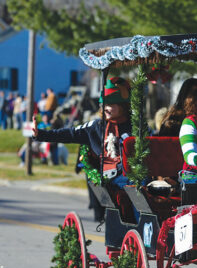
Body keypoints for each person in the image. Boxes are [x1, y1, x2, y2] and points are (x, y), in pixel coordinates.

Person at [32, 77, 136, 223]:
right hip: (109, 178)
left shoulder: (136, 126)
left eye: (111, 104)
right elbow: (70, 133)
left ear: (123, 106)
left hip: (134, 175)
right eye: (103, 104)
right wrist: (41, 134)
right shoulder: (95, 127)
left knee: (145, 185)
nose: (105, 108)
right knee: (136, 187)